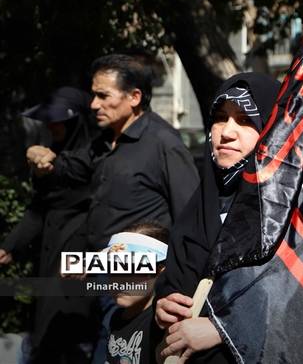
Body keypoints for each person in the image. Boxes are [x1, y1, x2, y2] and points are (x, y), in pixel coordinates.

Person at [154, 72, 280, 363]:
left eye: (246, 120)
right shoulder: (200, 206)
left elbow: (296, 304)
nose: (227, 132)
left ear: (273, 130)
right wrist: (164, 306)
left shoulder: (287, 215)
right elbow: (176, 279)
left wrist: (224, 329)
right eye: (221, 118)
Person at [25, 54, 199, 251]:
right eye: (94, 95)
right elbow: (68, 169)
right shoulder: (105, 140)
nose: (94, 105)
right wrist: (39, 157)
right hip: (99, 264)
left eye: (103, 96)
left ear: (134, 97)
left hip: (144, 266)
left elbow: (191, 217)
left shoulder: (164, 143)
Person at [0, 86, 99, 364]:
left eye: (60, 121)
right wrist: (10, 247)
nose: (52, 127)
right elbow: (40, 208)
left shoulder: (94, 157)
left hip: (80, 260)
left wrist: (51, 165)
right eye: (49, 121)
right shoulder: (52, 154)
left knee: (72, 338)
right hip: (50, 257)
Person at [105, 222, 169, 364]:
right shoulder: (116, 317)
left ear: (160, 272)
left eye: (131, 269)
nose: (118, 280)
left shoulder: (162, 323)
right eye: (111, 267)